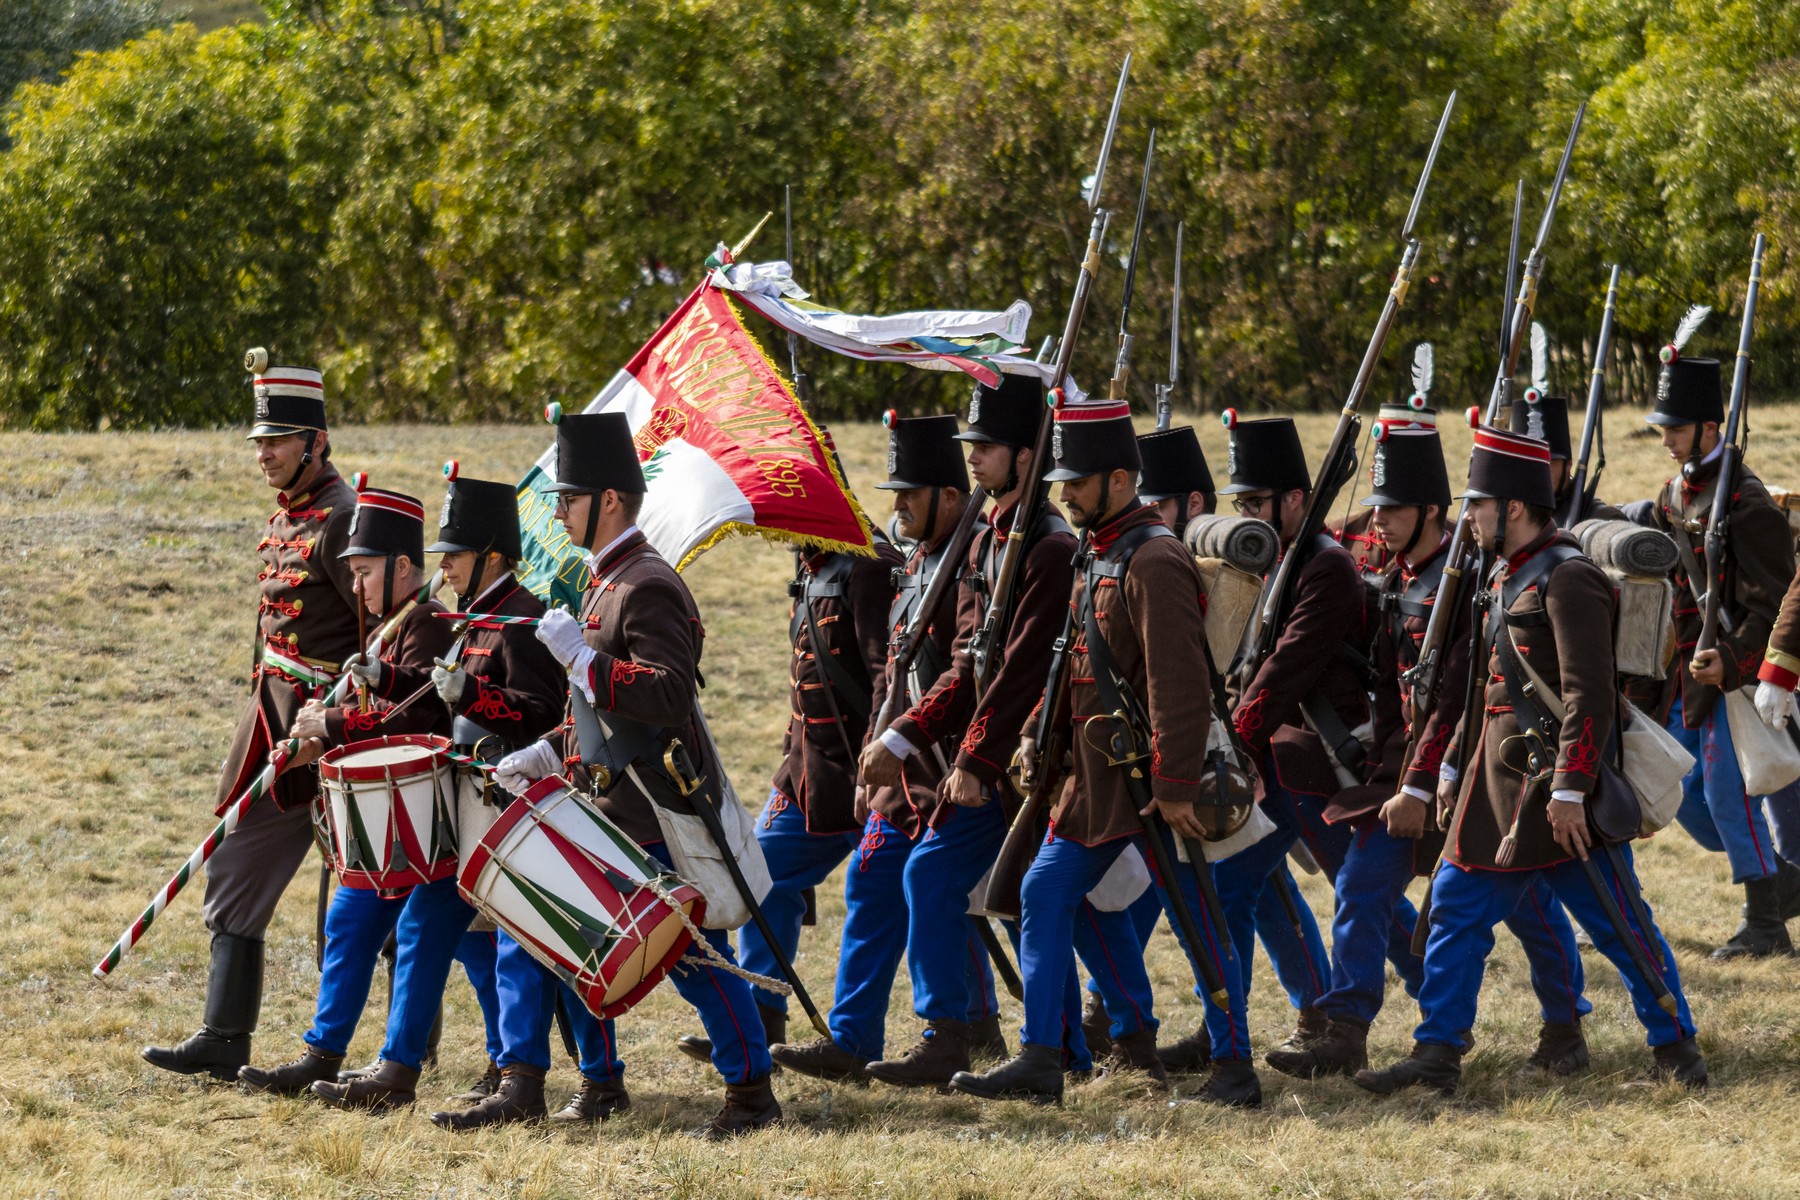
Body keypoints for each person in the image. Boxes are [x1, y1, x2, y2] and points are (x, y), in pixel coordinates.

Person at [457, 410, 780, 1139]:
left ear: (607, 500)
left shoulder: (646, 583)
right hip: (609, 804)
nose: (559, 511)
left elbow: (667, 693)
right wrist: (548, 754)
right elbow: (594, 712)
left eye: (567, 498)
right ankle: (595, 1083)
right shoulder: (606, 584)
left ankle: (753, 1094)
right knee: (570, 940)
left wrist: (585, 661)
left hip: (654, 807)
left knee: (697, 961)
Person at [1356, 423, 1704, 1096]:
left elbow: (1589, 694)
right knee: (1453, 911)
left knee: (1619, 924)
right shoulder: (1503, 574)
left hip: (1558, 795)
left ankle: (1677, 1048)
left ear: (1512, 507)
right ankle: (1437, 1052)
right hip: (1497, 793)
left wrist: (1573, 787)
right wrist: (1452, 772)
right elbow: (1484, 690)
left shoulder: (1568, 577)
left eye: (1479, 505)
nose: (1468, 517)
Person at [1267, 416, 1590, 1082]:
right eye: (1377, 506)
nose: (1377, 520)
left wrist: (1420, 781)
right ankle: (1348, 1029)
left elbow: (1455, 699)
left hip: (1473, 769)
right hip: (1404, 771)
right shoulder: (1395, 580)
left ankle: (1564, 1025)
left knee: (1528, 905)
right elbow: (1391, 690)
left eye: (1394, 508)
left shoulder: (1470, 581)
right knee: (1361, 885)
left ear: (1433, 511)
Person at [950, 401, 1249, 1107]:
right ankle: (1042, 1059)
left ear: (1119, 479)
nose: (1063, 493)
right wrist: (1031, 732)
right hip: (1094, 777)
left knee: (1197, 917)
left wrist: (1175, 785)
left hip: (1150, 778)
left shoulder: (1153, 557)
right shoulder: (1103, 549)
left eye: (1077, 481)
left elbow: (1179, 683)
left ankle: (1236, 1067)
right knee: (1044, 893)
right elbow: (1073, 660)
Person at [309, 468, 570, 1115]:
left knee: (517, 950)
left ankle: (523, 1082)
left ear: (493, 556)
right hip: (464, 812)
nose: (444, 567)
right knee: (425, 927)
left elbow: (541, 713)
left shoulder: (523, 621)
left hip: (514, 813)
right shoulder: (473, 620)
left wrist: (474, 693)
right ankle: (397, 1071)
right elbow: (433, 699)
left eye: (454, 555)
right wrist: (386, 677)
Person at [859, 375, 1087, 1089]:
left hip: (1029, 756)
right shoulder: (989, 539)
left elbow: (1020, 668)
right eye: (973, 445)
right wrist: (902, 736)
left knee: (1030, 901)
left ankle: (1075, 1047)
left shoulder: (1047, 546)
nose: (974, 458)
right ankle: (953, 1034)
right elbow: (968, 659)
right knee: (961, 882)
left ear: (1028, 456)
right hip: (992, 752)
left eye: (987, 446)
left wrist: (977, 757)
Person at [144, 357, 363, 1082]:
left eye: (278, 441)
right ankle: (224, 1036)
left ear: (316, 442)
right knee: (234, 871)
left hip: (337, 732)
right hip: (272, 723)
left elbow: (382, 641)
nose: (264, 453)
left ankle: (401, 1055)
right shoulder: (285, 517)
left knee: (367, 899)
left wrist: (333, 725)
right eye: (259, 442)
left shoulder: (345, 520)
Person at [771, 414, 1005, 1082]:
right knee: (879, 881)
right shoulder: (922, 562)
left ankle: (1029, 1038)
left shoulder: (951, 563)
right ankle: (859, 1038)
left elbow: (959, 670)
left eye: (910, 494)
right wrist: (882, 738)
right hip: (901, 767)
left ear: (950, 497)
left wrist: (896, 740)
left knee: (1014, 903)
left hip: (950, 764)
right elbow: (895, 674)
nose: (896, 505)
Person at [234, 482, 455, 1097]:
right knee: (350, 921)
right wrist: (320, 738)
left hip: (434, 817)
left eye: (363, 573)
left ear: (403, 567)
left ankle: (453, 1068)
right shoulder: (384, 627)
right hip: (386, 818)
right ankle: (323, 1054)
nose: (353, 586)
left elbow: (416, 712)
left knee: (457, 950)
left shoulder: (428, 626)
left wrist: (329, 723)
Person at [1218, 415, 1407, 1057]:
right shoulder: (1273, 561)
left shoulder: (1324, 567)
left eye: (1256, 503)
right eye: (1241, 504)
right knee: (1235, 887)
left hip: (1324, 764)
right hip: (1279, 763)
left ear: (1295, 500)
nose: (1247, 515)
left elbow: (1288, 665)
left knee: (1366, 896)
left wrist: (1234, 739)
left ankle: (1438, 1012)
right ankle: (1240, 1028)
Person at [1646, 315, 1800, 957]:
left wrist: (1735, 663)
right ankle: (1782, 884)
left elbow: (1779, 599)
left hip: (1733, 675)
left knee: (1725, 795)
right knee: (1677, 789)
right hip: (1688, 672)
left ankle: (1765, 921)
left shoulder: (1747, 503)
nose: (1667, 442)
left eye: (1676, 429)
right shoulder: (1674, 494)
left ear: (1711, 427)